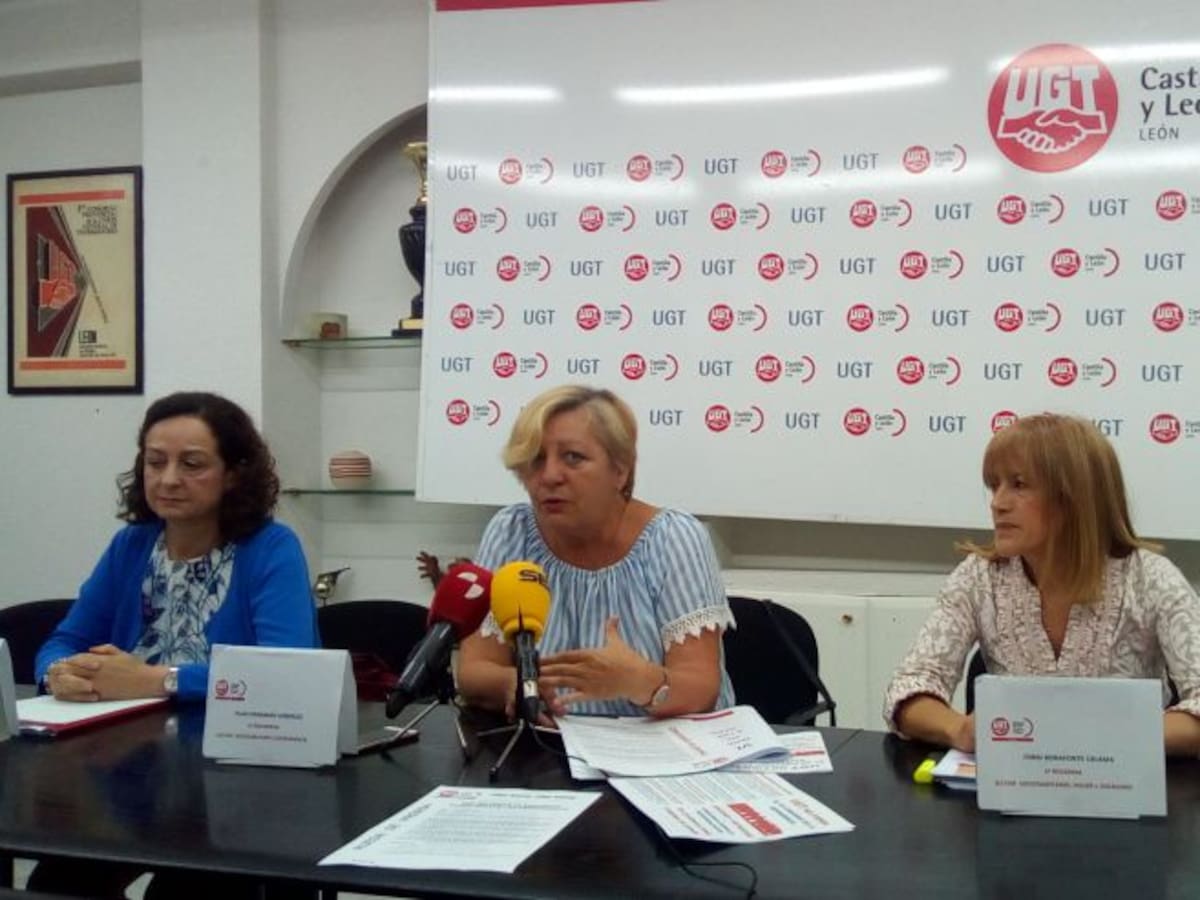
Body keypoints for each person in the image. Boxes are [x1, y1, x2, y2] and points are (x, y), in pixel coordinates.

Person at [28, 391, 319, 899]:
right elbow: (64, 640)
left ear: (235, 473)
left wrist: (158, 680)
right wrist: (58, 673)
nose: (167, 480)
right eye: (155, 462)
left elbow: (287, 673)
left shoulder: (271, 548)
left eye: (192, 464)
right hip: (127, 767)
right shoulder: (131, 545)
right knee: (58, 880)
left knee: (186, 890)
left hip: (234, 778)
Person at [884, 413, 1200, 756]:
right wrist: (958, 729)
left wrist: (1105, 735)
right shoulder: (979, 577)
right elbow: (908, 688)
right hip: (1014, 780)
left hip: (1126, 780)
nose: (998, 503)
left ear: (1075, 497)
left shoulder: (1152, 579)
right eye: (995, 485)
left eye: (1019, 485)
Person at [456, 384, 734, 719]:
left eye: (573, 457)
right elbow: (473, 670)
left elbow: (701, 689)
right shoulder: (510, 532)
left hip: (661, 744)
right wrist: (516, 684)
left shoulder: (674, 537)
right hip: (551, 741)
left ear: (620, 470)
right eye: (536, 459)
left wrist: (640, 681)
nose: (550, 476)